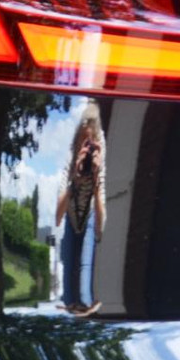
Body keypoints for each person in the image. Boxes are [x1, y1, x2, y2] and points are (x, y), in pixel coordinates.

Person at [54, 109, 105, 315]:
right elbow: (57, 217)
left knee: (85, 275)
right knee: (67, 280)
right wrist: (74, 179)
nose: (87, 149)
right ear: (76, 143)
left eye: (90, 144)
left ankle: (85, 305)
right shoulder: (70, 163)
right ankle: (72, 308)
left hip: (89, 217)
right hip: (71, 216)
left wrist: (96, 181)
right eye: (83, 142)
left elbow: (100, 229)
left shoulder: (100, 165)